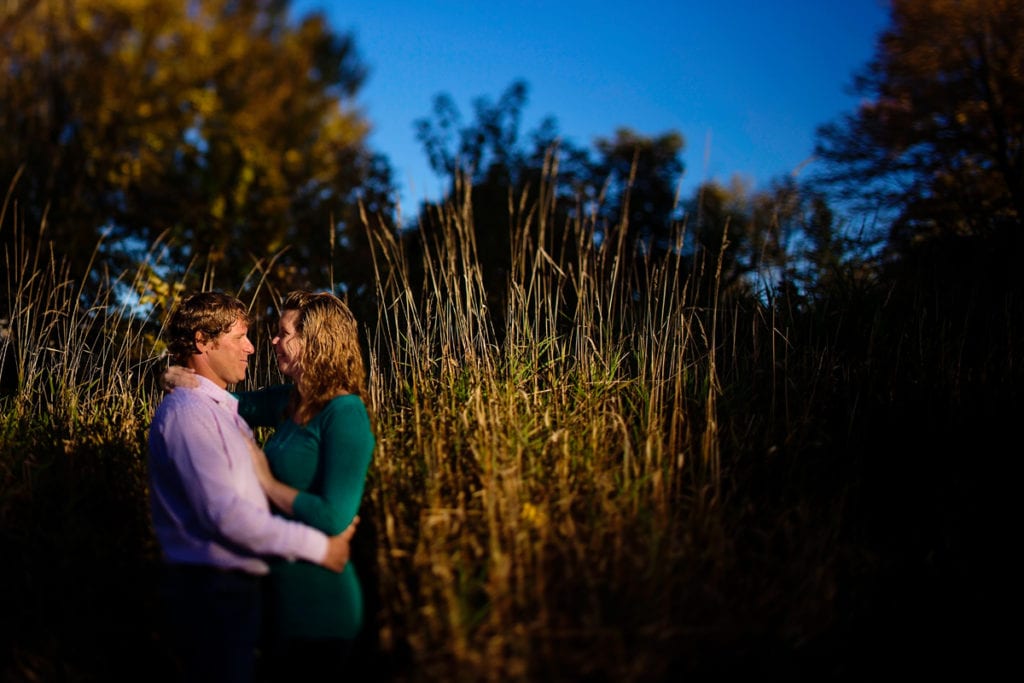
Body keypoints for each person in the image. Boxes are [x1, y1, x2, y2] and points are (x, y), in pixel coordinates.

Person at [163, 290, 375, 680]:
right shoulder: (288, 401)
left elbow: (333, 517)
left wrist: (266, 481)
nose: (272, 342)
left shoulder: (345, 413)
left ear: (317, 340)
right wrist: (172, 373)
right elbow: (220, 401)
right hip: (275, 596)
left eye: (284, 332)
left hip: (320, 602)